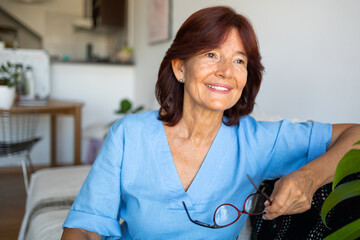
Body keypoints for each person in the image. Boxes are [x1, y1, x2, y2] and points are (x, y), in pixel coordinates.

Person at [61, 6, 360, 240]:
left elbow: (355, 134)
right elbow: (85, 229)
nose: (226, 71)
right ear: (180, 67)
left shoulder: (258, 141)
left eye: (239, 61)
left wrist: (308, 178)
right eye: (211, 54)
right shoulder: (129, 135)